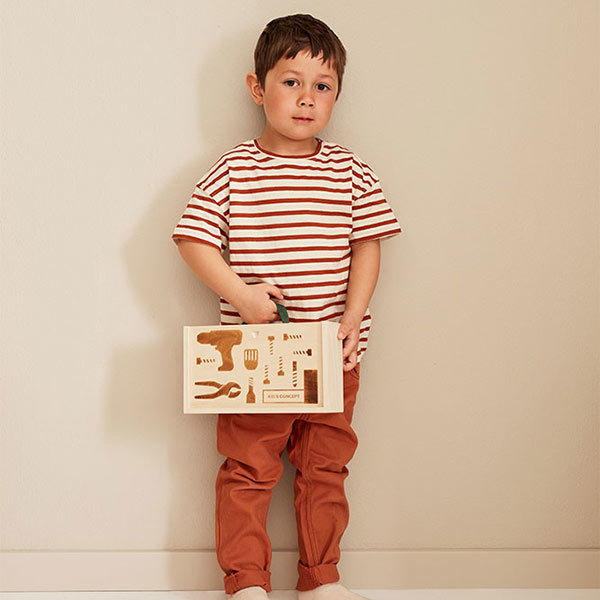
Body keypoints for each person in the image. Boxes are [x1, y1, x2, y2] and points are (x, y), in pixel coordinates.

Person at [171, 13, 402, 600]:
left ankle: (321, 578)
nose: (306, 98)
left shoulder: (350, 171)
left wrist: (353, 318)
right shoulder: (234, 168)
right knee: (248, 470)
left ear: (337, 95)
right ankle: (246, 581)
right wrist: (243, 296)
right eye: (291, 82)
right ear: (258, 88)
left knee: (326, 469)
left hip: (334, 354)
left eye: (322, 86)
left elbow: (368, 246)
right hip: (257, 356)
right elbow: (193, 238)